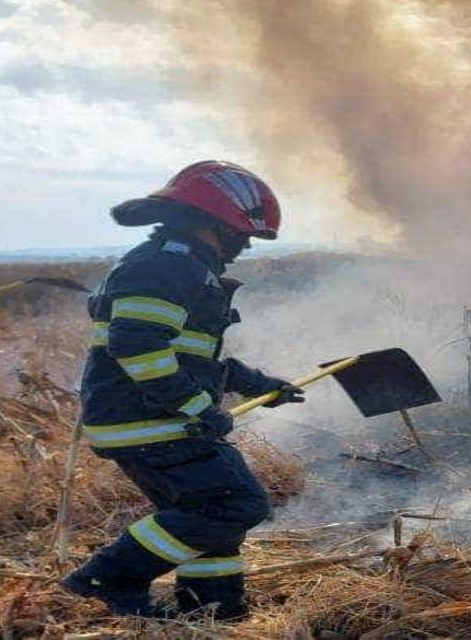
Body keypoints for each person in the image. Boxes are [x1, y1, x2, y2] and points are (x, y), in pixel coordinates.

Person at [62, 161, 304, 620]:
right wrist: (197, 408)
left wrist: (259, 385)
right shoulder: (165, 266)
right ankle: (110, 575)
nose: (245, 244)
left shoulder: (178, 264)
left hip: (150, 417)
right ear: (209, 222)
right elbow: (136, 346)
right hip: (148, 420)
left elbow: (188, 358)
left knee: (209, 513)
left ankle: (212, 610)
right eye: (239, 232)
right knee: (234, 503)